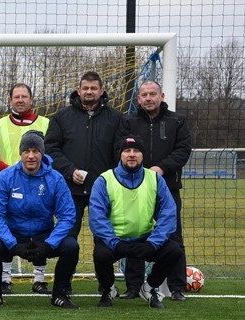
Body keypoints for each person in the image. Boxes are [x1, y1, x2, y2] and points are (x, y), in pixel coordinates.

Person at [0, 131, 79, 309]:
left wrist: (50, 244)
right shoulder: (6, 177)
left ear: (42, 153)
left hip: (44, 235)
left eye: (36, 151)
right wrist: (12, 244)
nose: (31, 156)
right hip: (14, 235)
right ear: (21, 153)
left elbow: (67, 216)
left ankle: (59, 294)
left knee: (71, 246)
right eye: (26, 151)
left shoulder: (55, 179)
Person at [89, 135, 182, 309]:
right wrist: (115, 243)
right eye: (127, 151)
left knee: (174, 250)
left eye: (136, 150)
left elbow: (169, 212)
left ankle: (148, 288)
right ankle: (108, 289)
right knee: (100, 254)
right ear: (120, 155)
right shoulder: (104, 179)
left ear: (142, 155)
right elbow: (96, 217)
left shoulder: (154, 178)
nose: (132, 154)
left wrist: (153, 243)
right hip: (116, 240)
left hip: (145, 239)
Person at [120, 80, 192, 301]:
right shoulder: (129, 121)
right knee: (135, 234)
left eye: (153, 94)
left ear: (161, 96)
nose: (148, 98)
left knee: (173, 235)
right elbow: (121, 149)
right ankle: (133, 286)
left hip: (168, 187)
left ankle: (177, 286)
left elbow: (183, 149)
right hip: (135, 188)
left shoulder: (176, 120)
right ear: (139, 99)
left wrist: (162, 168)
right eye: (144, 95)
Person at [0, 83, 51, 295]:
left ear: (31, 99)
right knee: (8, 225)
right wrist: (11, 173)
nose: (20, 100)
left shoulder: (46, 123)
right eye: (16, 96)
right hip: (8, 185)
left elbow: (53, 153)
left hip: (39, 182)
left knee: (39, 224)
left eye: (24, 96)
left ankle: (39, 279)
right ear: (10, 100)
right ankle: (5, 279)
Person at [45, 71, 124, 240]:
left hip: (104, 189)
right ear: (78, 90)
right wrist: (70, 170)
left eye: (93, 88)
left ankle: (104, 268)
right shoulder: (61, 117)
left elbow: (121, 152)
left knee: (105, 239)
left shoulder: (116, 118)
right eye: (86, 88)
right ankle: (68, 268)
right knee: (67, 239)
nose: (89, 91)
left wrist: (112, 178)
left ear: (101, 91)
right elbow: (51, 149)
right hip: (70, 189)